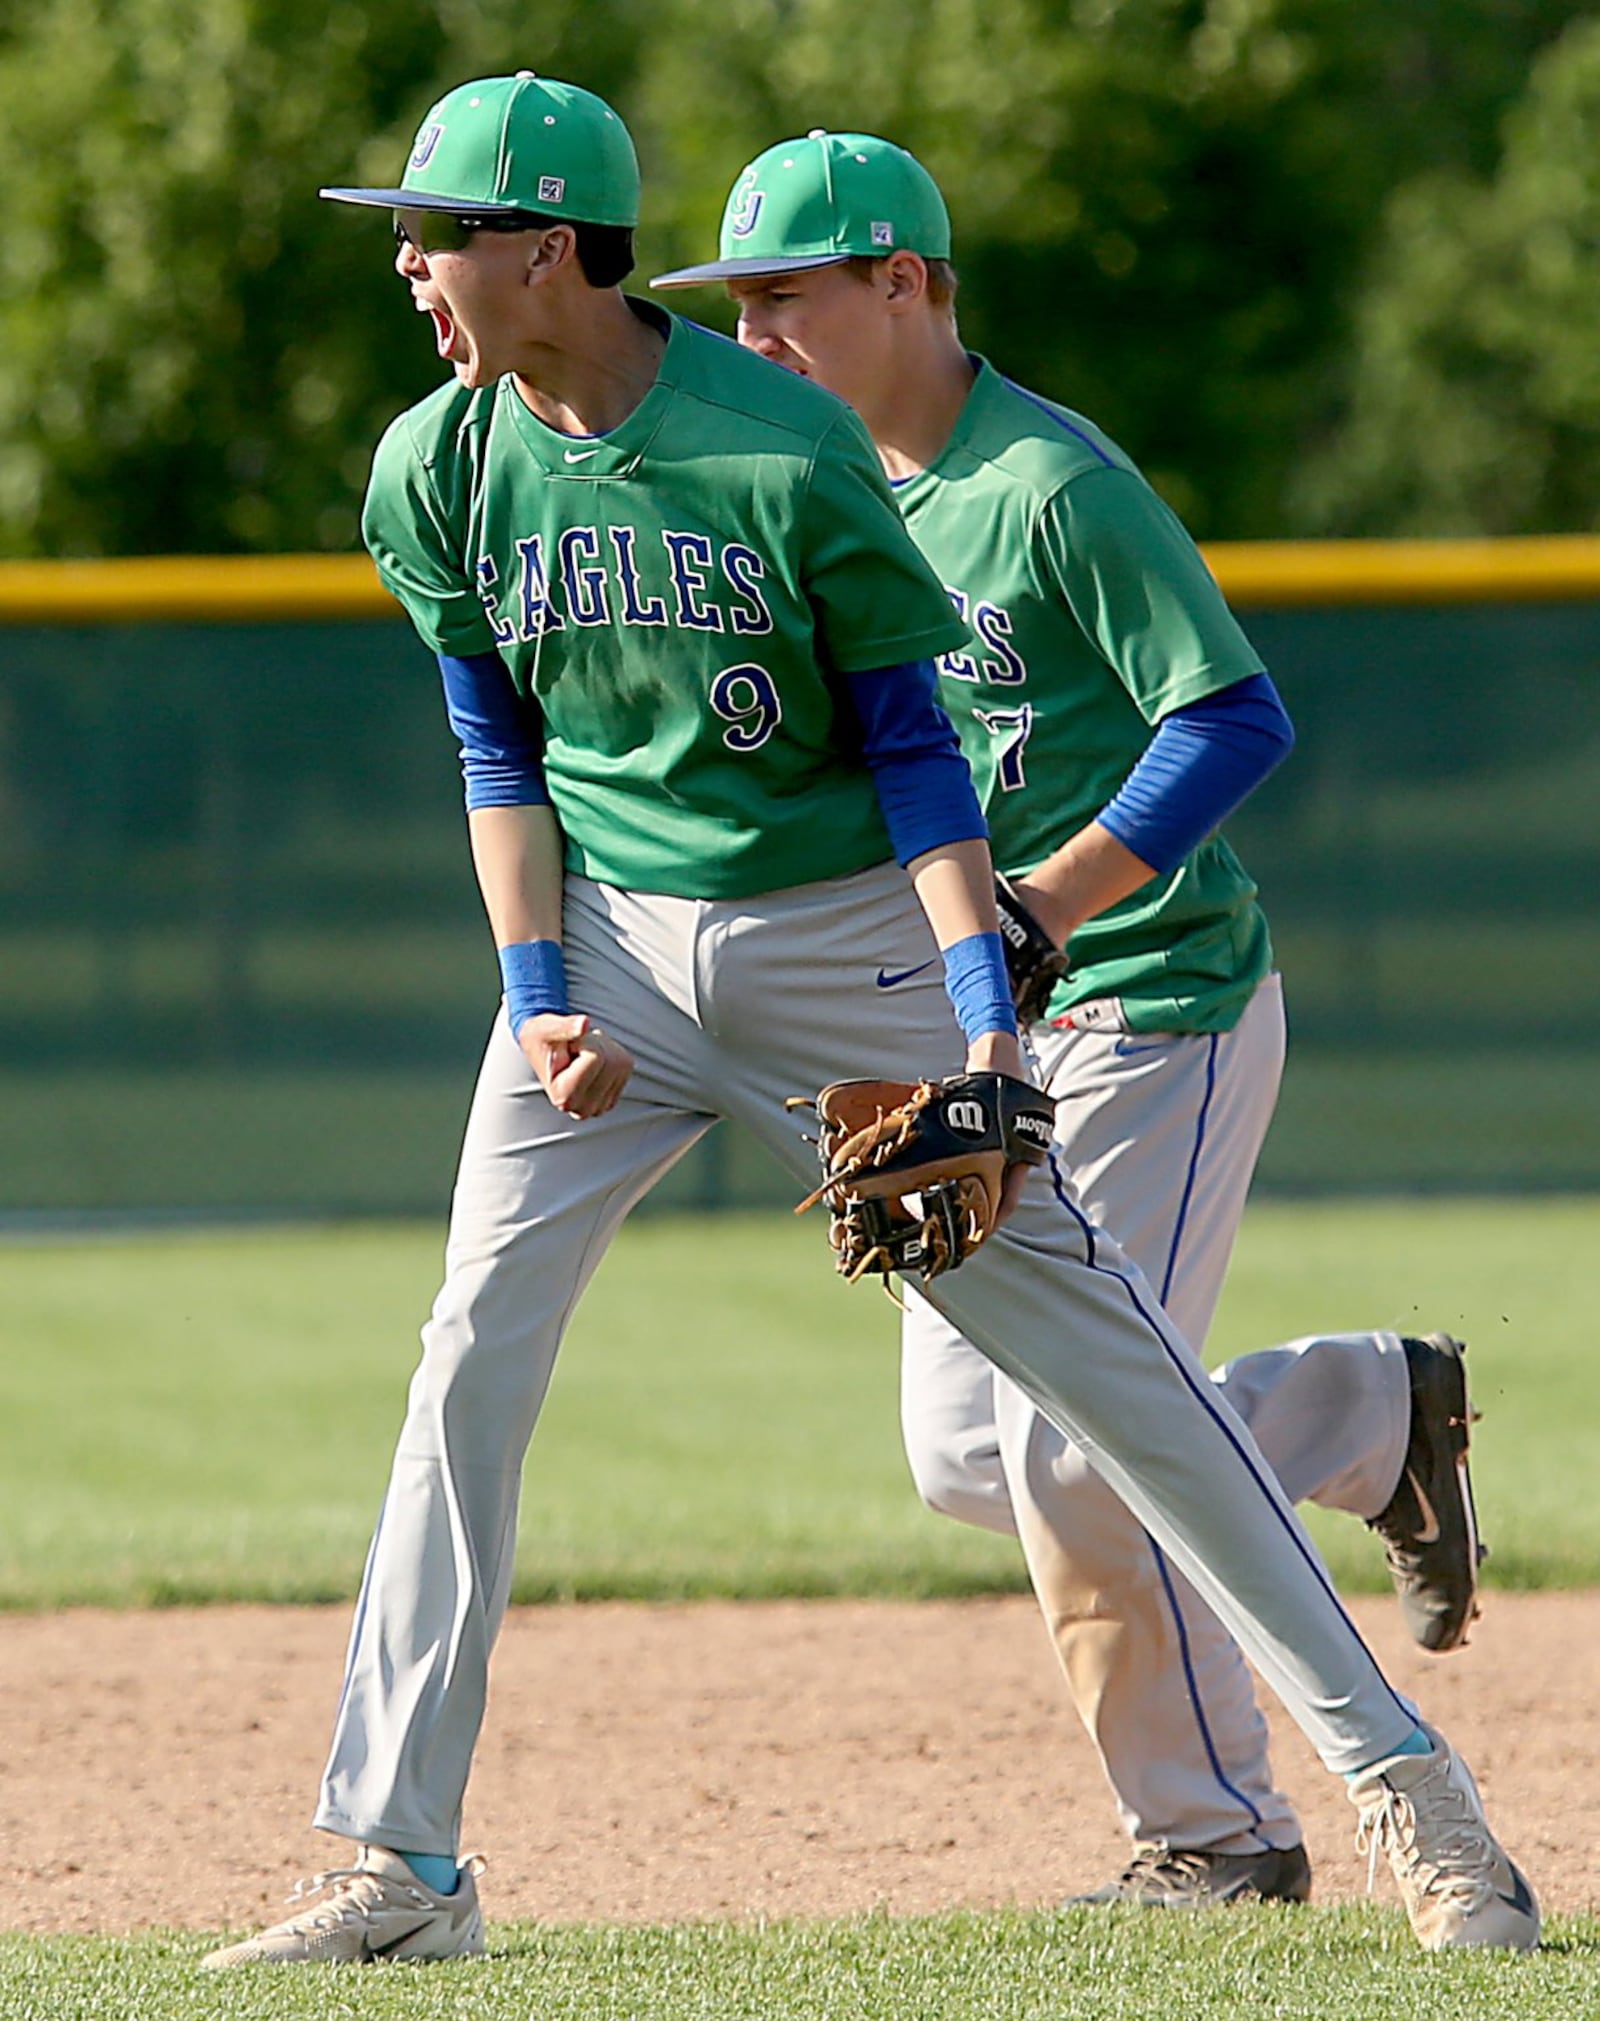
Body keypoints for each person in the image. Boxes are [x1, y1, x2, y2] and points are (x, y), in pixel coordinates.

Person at [202, 75, 1536, 1967]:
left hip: (847, 947)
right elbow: (494, 740)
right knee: (466, 1366)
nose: (408, 262)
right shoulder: (437, 462)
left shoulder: (785, 453)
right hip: (601, 946)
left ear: (549, 250)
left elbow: (920, 759)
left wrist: (988, 1021)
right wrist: (538, 989)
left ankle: (1411, 1791)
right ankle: (401, 1866)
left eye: (434, 231)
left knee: (1117, 1398)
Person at [650, 133, 1489, 1908]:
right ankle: (1362, 1410)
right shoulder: (806, 491)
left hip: (1150, 998)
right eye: (737, 307)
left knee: (1067, 1439)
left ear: (907, 282)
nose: (758, 334)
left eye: (788, 296)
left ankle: (1218, 1836)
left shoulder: (1046, 484)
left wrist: (1047, 904)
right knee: (968, 1455)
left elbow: (1233, 716)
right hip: (971, 1032)